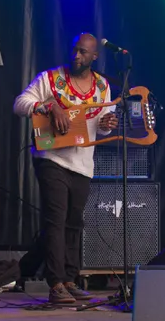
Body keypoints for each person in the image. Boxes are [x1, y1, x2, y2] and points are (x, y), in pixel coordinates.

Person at [14, 34, 119, 304]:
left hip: (82, 163)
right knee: (56, 219)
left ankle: (70, 280)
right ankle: (56, 283)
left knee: (74, 222)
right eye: (74, 50)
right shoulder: (50, 79)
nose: (76, 56)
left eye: (83, 52)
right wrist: (47, 106)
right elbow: (20, 103)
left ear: (94, 56)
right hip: (51, 158)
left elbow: (100, 126)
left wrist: (107, 124)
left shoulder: (102, 86)